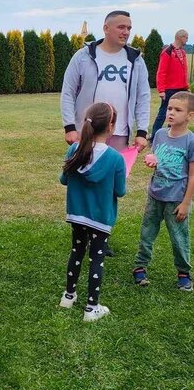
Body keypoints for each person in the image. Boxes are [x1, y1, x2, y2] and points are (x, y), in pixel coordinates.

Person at [61, 10, 149, 255]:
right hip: (87, 132)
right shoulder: (83, 56)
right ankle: (81, 230)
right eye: (121, 27)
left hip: (119, 133)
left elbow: (143, 96)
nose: (126, 32)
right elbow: (68, 91)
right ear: (106, 28)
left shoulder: (135, 60)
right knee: (84, 180)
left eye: (129, 27)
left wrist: (142, 131)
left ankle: (102, 234)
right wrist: (70, 127)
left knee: (109, 185)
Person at [59, 103, 126, 321]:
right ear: (110, 126)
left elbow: (64, 180)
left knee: (77, 251)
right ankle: (91, 307)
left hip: (77, 214)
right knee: (97, 258)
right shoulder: (116, 159)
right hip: (101, 217)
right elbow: (120, 191)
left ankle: (68, 296)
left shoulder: (74, 150)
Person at [133, 91, 194, 291]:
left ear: (190, 116)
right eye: (169, 108)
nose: (171, 113)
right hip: (155, 195)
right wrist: (152, 161)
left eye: (178, 110)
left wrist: (185, 203)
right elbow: (157, 158)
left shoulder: (190, 141)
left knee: (179, 237)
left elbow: (192, 176)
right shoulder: (159, 134)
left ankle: (183, 272)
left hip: (176, 199)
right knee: (147, 232)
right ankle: (140, 266)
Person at [149, 29, 190, 142]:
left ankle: (171, 135)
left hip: (181, 88)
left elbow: (184, 70)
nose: (187, 40)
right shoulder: (167, 52)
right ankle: (154, 137)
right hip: (170, 89)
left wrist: (186, 85)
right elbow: (161, 72)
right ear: (179, 37)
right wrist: (161, 90)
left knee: (177, 113)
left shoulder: (182, 52)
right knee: (163, 113)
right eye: (186, 37)